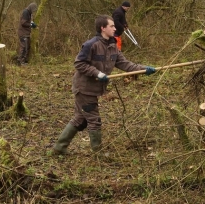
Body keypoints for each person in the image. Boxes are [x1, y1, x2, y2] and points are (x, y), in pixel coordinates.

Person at [52, 15, 156, 155]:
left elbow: (125, 64)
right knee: (94, 120)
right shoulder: (91, 45)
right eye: (111, 26)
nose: (115, 28)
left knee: (81, 119)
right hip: (84, 89)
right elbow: (79, 63)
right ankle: (98, 152)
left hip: (94, 89)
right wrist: (97, 73)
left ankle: (59, 148)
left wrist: (143, 69)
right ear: (103, 28)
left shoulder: (113, 46)